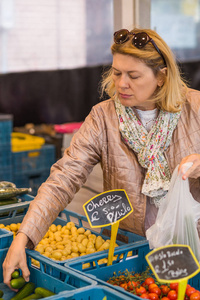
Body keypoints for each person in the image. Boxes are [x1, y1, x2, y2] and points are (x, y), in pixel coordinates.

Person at [3, 28, 200, 287]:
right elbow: (64, 176)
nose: (121, 84)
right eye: (117, 72)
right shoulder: (103, 118)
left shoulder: (194, 107)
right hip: (130, 251)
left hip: (191, 244)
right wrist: (24, 237)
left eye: (134, 75)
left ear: (161, 77)